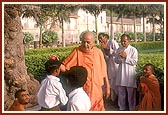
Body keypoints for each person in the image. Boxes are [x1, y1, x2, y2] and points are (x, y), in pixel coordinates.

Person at [60, 31, 110, 111]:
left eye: (88, 42)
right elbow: (65, 66)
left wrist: (108, 86)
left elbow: (103, 71)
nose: (85, 45)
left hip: (97, 89)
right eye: (83, 42)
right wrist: (57, 64)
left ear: (93, 42)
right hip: (83, 90)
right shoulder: (77, 52)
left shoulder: (98, 52)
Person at [114, 34, 138, 111]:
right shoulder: (119, 49)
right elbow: (116, 61)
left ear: (129, 41)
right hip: (121, 74)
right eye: (122, 41)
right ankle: (122, 108)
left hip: (129, 74)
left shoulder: (133, 50)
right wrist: (121, 58)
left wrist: (126, 57)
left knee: (131, 95)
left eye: (125, 41)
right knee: (121, 94)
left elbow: (134, 62)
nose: (123, 43)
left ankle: (132, 109)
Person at [98, 32, 119, 103]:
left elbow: (117, 52)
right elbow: (106, 57)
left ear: (105, 37)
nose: (100, 40)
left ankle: (117, 99)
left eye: (101, 38)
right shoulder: (102, 46)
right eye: (99, 39)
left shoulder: (112, 42)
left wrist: (108, 49)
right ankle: (112, 99)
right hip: (109, 66)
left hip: (115, 64)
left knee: (115, 82)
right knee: (110, 82)